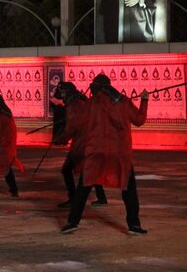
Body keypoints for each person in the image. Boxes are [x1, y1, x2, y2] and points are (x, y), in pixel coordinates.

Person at [60, 74, 148, 235]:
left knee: (84, 187)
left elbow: (75, 125)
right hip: (120, 153)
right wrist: (144, 100)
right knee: (128, 189)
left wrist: (61, 138)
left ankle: (72, 222)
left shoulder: (91, 104)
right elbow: (139, 120)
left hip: (96, 152)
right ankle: (134, 224)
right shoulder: (124, 102)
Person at [53, 82, 107, 208]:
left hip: (82, 143)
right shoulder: (83, 101)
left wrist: (60, 139)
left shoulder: (73, 106)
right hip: (92, 141)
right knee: (91, 168)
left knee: (67, 169)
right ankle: (101, 197)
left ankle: (73, 198)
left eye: (62, 93)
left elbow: (72, 128)